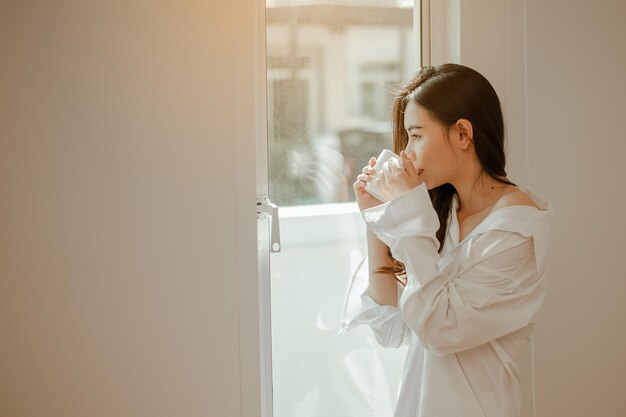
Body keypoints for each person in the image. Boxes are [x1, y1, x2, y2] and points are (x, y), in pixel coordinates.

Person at [339, 63, 554, 417]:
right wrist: (376, 217)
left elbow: (440, 329)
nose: (407, 153)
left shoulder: (517, 229)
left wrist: (405, 213)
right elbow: (391, 328)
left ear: (462, 135)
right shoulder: (441, 214)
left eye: (417, 135)